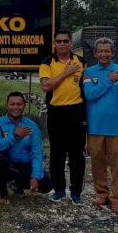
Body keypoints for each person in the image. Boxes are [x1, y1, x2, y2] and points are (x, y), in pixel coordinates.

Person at [83, 37, 118, 214]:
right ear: (96, 53)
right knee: (97, 160)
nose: (104, 54)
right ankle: (101, 193)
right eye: (100, 51)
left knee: (117, 163)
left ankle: (117, 198)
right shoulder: (89, 73)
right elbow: (89, 95)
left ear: (112, 52)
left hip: (117, 127)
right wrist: (108, 81)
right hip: (95, 126)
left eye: (107, 51)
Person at [39, 29, 87, 205]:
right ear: (54, 44)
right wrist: (66, 73)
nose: (62, 44)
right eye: (58, 41)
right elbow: (46, 86)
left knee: (77, 154)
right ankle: (59, 189)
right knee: (57, 154)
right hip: (56, 112)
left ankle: (76, 192)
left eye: (65, 41)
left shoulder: (81, 62)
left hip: (76, 112)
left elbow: (85, 88)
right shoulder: (47, 62)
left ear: (71, 43)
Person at [0, 92, 53, 205]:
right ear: (7, 105)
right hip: (6, 165)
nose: (16, 107)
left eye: (19, 104)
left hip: (24, 166)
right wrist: (15, 136)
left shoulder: (32, 126)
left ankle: (18, 185)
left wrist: (35, 176)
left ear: (24, 106)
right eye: (12, 104)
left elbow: (37, 153)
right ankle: (4, 194)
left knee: (47, 186)